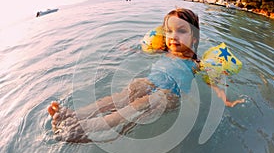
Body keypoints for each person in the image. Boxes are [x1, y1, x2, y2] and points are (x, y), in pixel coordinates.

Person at [47, 8, 244, 143]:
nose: (173, 37)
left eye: (181, 31)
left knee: (139, 104)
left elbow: (212, 82)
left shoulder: (196, 63)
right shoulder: (163, 52)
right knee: (124, 94)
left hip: (169, 96)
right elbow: (141, 52)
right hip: (150, 84)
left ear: (194, 37)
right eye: (169, 31)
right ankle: (75, 115)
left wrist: (225, 100)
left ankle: (86, 127)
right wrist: (130, 50)